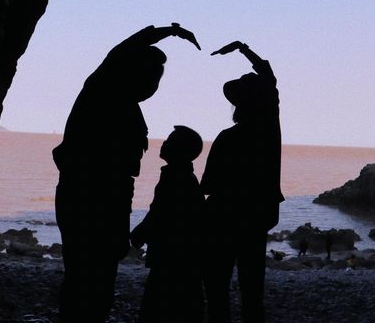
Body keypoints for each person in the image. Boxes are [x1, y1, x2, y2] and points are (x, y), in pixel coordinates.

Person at [52, 23, 200, 323]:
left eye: (156, 80)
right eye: (149, 77)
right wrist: (169, 31)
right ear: (130, 71)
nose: (152, 86)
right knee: (84, 275)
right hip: (85, 195)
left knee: (101, 277)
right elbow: (119, 52)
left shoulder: (128, 107)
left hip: (113, 198)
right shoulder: (100, 90)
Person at [201, 41, 283, 323]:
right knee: (252, 281)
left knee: (216, 280)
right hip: (258, 214)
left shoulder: (227, 138)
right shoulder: (269, 129)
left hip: (224, 215)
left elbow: (208, 186)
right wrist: (243, 49)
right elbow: (269, 79)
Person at [130, 126, 206, 323]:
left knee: (157, 304)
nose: (164, 143)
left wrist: (139, 234)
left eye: (170, 140)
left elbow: (160, 213)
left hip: (172, 255)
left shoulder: (175, 178)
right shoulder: (184, 177)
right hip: (183, 256)